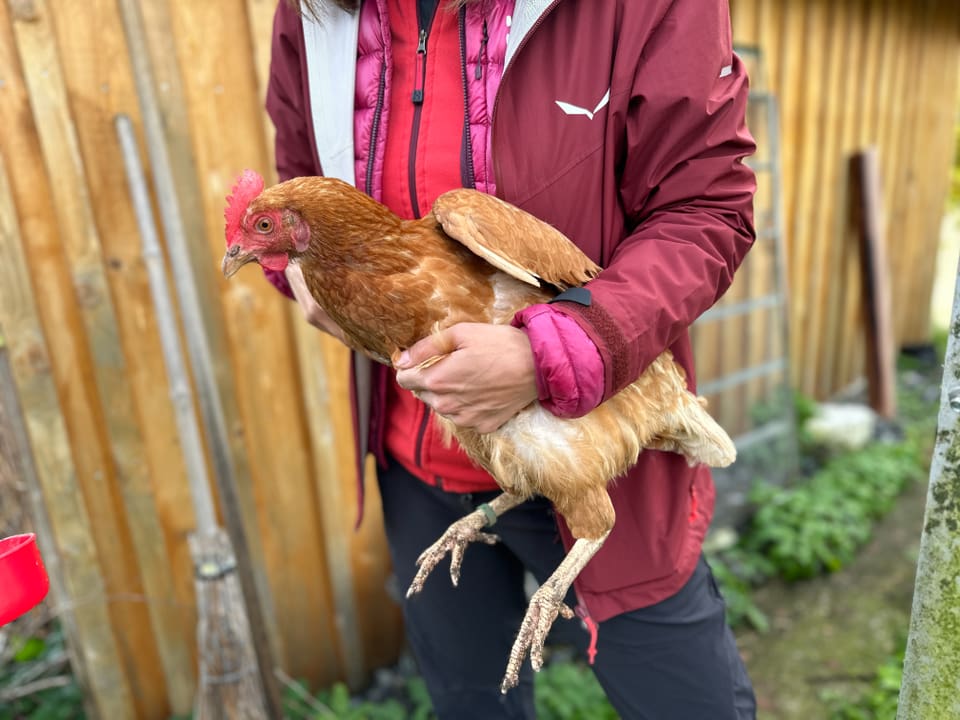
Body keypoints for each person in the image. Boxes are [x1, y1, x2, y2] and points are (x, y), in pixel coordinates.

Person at [264, 0, 758, 717]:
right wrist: (302, 278)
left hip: (596, 443)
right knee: (469, 705)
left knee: (687, 703)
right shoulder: (311, 10)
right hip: (419, 460)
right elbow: (302, 183)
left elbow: (706, 210)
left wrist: (557, 350)